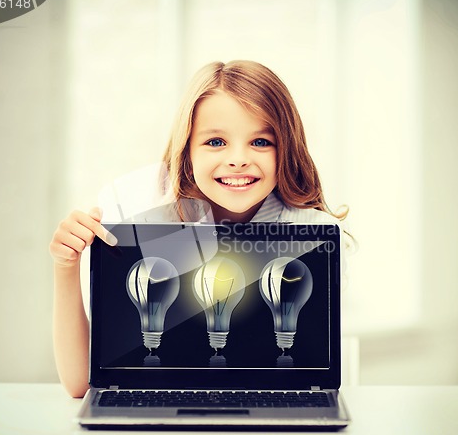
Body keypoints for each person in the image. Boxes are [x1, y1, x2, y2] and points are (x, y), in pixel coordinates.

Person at [49, 60, 348, 397]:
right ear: (186, 149)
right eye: (216, 142)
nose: (238, 159)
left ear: (287, 149)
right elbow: (80, 383)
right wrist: (66, 265)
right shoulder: (134, 210)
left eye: (261, 142)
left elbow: (311, 375)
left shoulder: (313, 236)